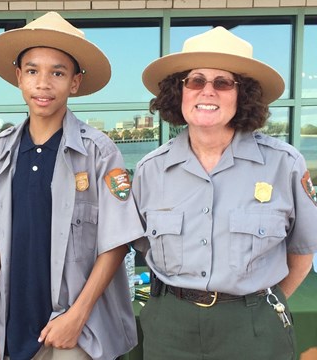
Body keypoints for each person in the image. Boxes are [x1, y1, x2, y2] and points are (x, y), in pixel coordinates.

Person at [133, 26, 317, 360]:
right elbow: (143, 246)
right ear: (180, 91)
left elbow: (302, 251)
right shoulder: (150, 170)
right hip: (170, 327)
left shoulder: (283, 164)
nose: (208, 91)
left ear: (242, 94)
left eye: (222, 83)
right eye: (195, 81)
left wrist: (258, 305)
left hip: (254, 327)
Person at [0, 12, 144, 360]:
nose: (43, 83)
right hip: (14, 324)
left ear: (75, 83)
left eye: (58, 72)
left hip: (77, 329)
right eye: (33, 71)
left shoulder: (99, 152)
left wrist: (77, 315)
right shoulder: (0, 151)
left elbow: (116, 243)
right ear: (19, 77)